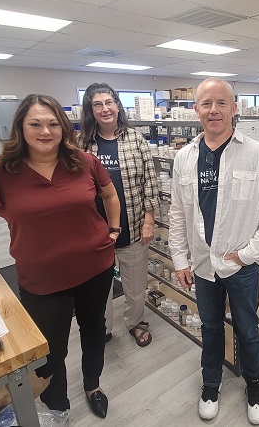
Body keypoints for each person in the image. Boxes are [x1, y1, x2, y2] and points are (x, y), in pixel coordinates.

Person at [0, 94, 120, 419]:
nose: (45, 130)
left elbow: (110, 194)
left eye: (52, 123)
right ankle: (57, 404)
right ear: (21, 128)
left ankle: (93, 385)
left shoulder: (84, 162)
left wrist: (113, 231)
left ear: (63, 127)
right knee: (50, 348)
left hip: (96, 268)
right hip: (43, 281)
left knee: (94, 329)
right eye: (35, 124)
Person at [169, 78, 259, 424]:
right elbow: (178, 213)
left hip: (241, 265)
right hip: (203, 265)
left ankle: (254, 382)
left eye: (222, 103)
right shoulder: (184, 158)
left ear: (235, 108)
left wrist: (248, 253)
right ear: (196, 110)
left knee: (248, 327)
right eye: (206, 103)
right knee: (210, 326)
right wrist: (179, 259)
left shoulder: (256, 154)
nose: (214, 110)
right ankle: (211, 382)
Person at [79, 82, 160, 347]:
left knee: (135, 286)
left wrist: (149, 220)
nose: (105, 109)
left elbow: (150, 180)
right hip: (95, 232)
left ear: (117, 105)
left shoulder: (135, 139)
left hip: (133, 226)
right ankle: (102, 327)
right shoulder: (83, 145)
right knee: (99, 287)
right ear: (90, 111)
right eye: (97, 104)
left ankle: (135, 322)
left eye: (109, 102)